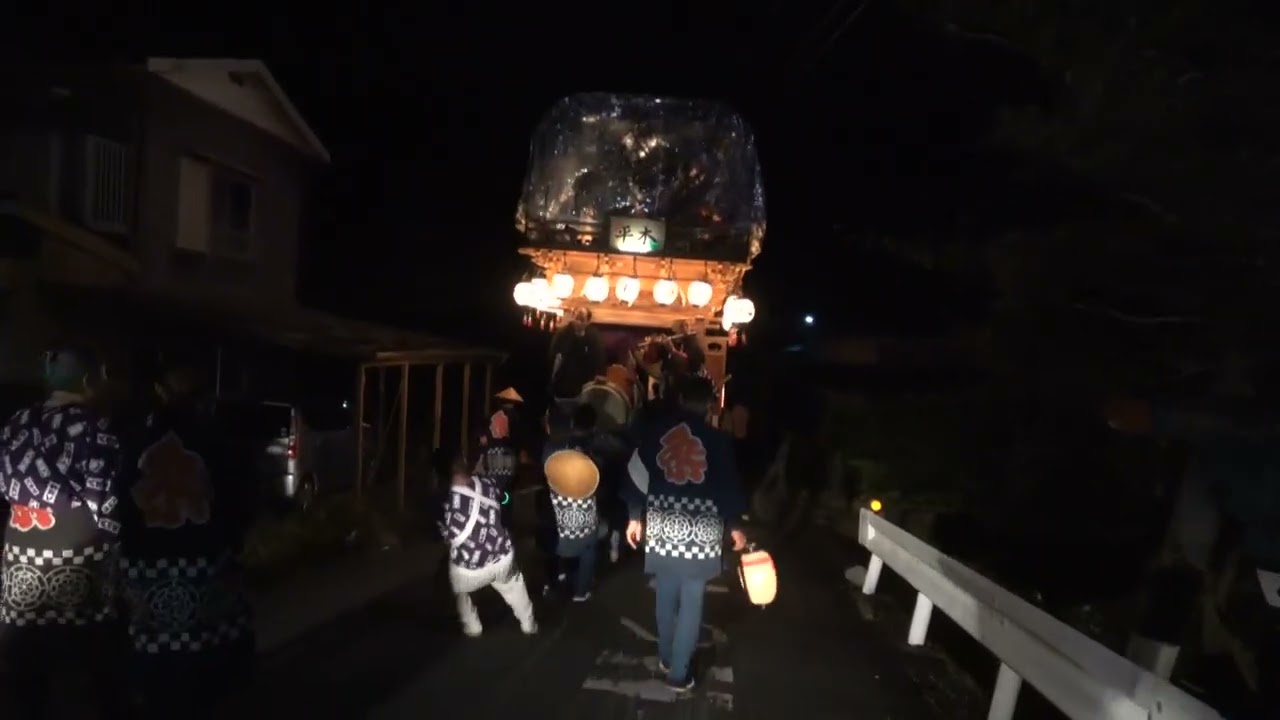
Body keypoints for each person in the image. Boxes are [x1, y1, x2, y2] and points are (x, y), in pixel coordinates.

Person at [116, 357, 255, 718]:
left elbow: (117, 503)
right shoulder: (219, 441)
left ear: (159, 392)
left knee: (153, 652)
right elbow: (241, 500)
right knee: (205, 653)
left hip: (147, 565)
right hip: (204, 561)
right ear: (203, 396)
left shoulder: (133, 441)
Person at [0, 345, 129, 719]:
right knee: (92, 661)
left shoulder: (14, 423)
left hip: (21, 556)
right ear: (89, 381)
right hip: (77, 560)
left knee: (27, 669)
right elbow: (105, 505)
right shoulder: (91, 428)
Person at [624, 375, 748, 693]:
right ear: (709, 405)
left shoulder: (655, 434)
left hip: (664, 523)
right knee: (692, 599)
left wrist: (635, 517)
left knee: (665, 591)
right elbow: (727, 489)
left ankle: (667, 656)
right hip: (701, 530)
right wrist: (734, 526)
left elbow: (636, 476)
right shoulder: (718, 441)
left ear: (679, 400)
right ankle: (678, 673)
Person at [438, 444, 537, 637]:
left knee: (459, 590)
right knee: (515, 587)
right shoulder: (488, 483)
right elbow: (505, 498)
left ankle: (472, 626)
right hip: (501, 559)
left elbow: (446, 536)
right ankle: (528, 624)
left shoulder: (441, 502)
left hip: (468, 572)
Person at [542, 403, 602, 601]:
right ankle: (581, 590)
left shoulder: (553, 447)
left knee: (554, 542)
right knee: (588, 548)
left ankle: (555, 579)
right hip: (585, 507)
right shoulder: (593, 446)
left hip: (558, 507)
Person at [549, 308, 606, 404]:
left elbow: (598, 359)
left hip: (584, 386)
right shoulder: (562, 334)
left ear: (588, 322)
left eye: (582, 320)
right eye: (576, 318)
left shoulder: (594, 337)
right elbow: (553, 357)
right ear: (572, 317)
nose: (578, 322)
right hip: (563, 383)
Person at [479, 387, 525, 491]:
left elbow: (483, 437)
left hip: (491, 452)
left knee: (491, 483)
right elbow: (517, 438)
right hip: (506, 453)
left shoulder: (492, 415)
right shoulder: (514, 416)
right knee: (505, 487)